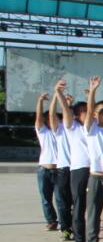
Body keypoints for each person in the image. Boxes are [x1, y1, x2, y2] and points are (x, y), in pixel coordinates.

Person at [52, 82, 91, 242]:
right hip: (79, 169)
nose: (88, 114)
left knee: (94, 209)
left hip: (95, 170)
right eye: (84, 111)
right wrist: (59, 93)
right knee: (79, 206)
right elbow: (65, 111)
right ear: (76, 116)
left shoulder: (94, 127)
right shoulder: (72, 127)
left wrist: (92, 95)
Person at [82, 77, 103, 242]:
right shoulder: (91, 129)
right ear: (94, 114)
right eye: (100, 111)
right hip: (96, 177)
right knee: (93, 215)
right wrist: (92, 90)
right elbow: (89, 111)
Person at [48, 85, 74, 241]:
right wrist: (56, 96)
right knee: (63, 202)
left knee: (77, 202)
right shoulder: (59, 129)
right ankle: (66, 229)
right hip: (63, 168)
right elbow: (52, 114)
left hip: (78, 169)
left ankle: (77, 228)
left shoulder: (79, 128)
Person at [34, 92, 59, 232]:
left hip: (59, 169)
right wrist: (40, 101)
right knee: (45, 198)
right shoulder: (42, 131)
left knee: (62, 198)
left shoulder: (61, 132)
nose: (51, 120)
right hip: (44, 169)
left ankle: (65, 221)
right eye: (48, 118)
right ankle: (51, 221)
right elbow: (38, 116)